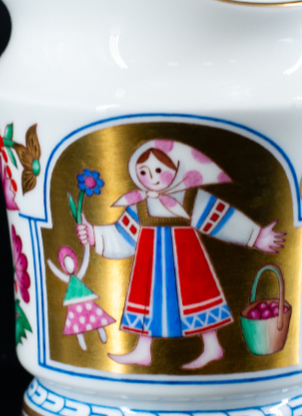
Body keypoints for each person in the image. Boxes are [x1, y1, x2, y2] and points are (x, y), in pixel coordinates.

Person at [75, 139, 284, 369]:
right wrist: (94, 235)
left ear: (176, 168)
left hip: (187, 260)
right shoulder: (139, 205)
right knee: (146, 301)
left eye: (158, 170)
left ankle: (212, 346)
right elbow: (122, 235)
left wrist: (256, 236)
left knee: (198, 300)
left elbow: (222, 219)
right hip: (150, 262)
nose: (151, 177)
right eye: (143, 172)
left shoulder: (190, 198)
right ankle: (143, 351)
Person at [45, 245, 116, 351]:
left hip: (86, 303)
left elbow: (85, 263)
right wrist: (50, 263)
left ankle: (103, 336)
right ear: (64, 267)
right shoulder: (69, 279)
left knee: (97, 319)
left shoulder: (78, 276)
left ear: (74, 263)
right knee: (77, 325)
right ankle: (83, 345)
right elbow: (58, 274)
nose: (70, 266)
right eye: (66, 264)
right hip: (75, 306)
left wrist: (87, 248)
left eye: (71, 262)